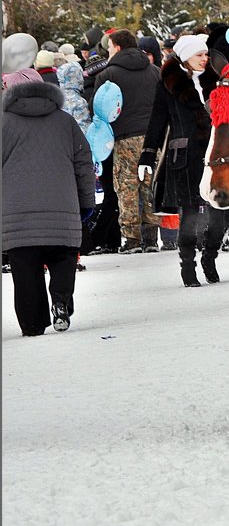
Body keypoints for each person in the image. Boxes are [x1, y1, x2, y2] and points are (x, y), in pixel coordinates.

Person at [3, 69, 95, 335]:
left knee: (25, 269)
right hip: (63, 209)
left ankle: (33, 324)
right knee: (63, 258)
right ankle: (61, 301)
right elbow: (84, 165)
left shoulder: (3, 123)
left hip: (17, 217)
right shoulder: (66, 122)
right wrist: (87, 203)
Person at [137, 34, 224, 287]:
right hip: (185, 157)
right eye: (199, 55)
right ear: (186, 57)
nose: (204, 59)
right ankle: (188, 266)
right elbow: (157, 121)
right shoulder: (168, 84)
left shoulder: (215, 81)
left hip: (214, 155)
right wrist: (147, 154)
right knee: (189, 217)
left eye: (206, 54)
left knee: (218, 216)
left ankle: (210, 257)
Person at [91, 28, 162, 254]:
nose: (108, 51)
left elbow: (100, 109)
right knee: (150, 184)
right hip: (154, 137)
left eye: (110, 47)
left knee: (127, 186)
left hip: (125, 138)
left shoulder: (107, 75)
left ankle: (132, 238)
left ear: (118, 47)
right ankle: (151, 236)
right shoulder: (155, 71)